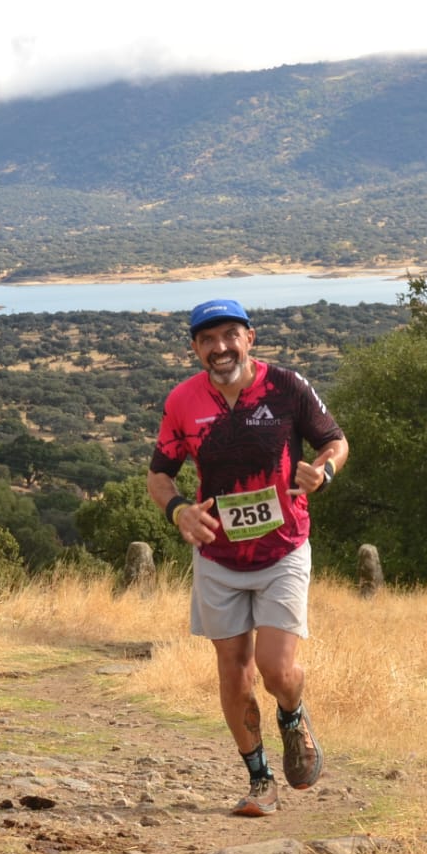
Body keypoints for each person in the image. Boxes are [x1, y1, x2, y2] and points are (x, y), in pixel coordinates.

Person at [147, 299, 348, 816]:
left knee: (276, 669)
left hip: (283, 548)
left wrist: (322, 472)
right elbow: (159, 474)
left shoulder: (287, 387)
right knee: (233, 673)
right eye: (207, 340)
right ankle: (260, 781)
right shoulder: (182, 402)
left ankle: (292, 714)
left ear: (250, 338)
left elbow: (335, 442)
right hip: (218, 557)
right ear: (195, 349)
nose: (220, 348)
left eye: (229, 336)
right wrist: (177, 512)